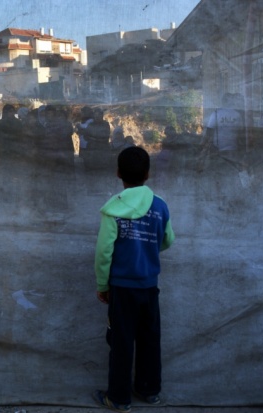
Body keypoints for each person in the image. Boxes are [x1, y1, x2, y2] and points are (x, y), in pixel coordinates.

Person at [93, 146, 175, 413]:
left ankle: (118, 397)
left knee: (121, 342)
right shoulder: (160, 206)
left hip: (122, 288)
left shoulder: (112, 209)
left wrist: (103, 285)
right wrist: (147, 252)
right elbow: (167, 240)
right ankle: (149, 390)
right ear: (148, 174)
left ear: (118, 173)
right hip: (149, 286)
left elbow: (104, 252)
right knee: (150, 339)